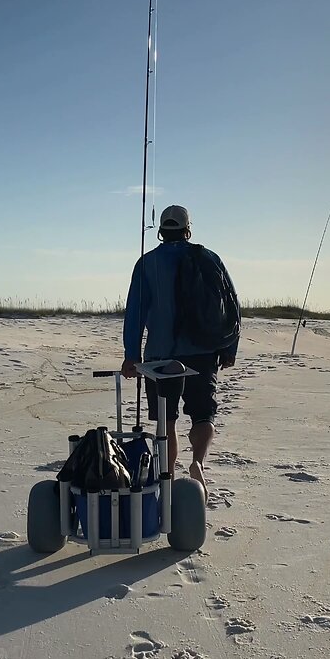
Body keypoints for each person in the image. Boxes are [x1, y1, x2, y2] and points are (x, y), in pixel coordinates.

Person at [121, 204, 239, 490]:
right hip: (203, 352)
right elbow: (232, 305)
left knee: (167, 421)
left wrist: (131, 356)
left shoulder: (147, 263)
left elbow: (135, 312)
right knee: (203, 415)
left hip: (161, 357)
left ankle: (169, 480)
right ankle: (198, 461)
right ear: (188, 230)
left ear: (161, 231)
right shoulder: (210, 259)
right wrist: (228, 349)